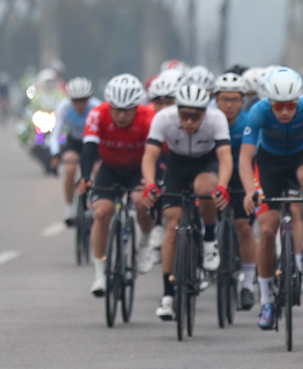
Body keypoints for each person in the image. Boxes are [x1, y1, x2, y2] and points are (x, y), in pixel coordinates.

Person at [238, 67, 303, 330]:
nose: (285, 112)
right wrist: (249, 191)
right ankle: (266, 301)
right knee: (266, 231)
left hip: (300, 159)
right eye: (279, 106)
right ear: (269, 103)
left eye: (290, 106)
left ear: (298, 101)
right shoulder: (258, 112)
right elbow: (244, 157)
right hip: (269, 164)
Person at [141, 84, 233, 321]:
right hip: (177, 165)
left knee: (204, 189)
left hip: (206, 163)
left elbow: (225, 157)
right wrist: (150, 184)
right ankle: (168, 295)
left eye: (196, 115)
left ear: (205, 112)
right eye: (185, 115)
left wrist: (222, 186)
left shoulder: (216, 118)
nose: (190, 121)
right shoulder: (163, 118)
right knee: (172, 226)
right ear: (177, 110)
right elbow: (150, 156)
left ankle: (210, 238)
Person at [77, 75, 155, 297]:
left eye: (128, 110)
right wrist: (84, 177)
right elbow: (89, 149)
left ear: (136, 107)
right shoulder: (97, 114)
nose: (121, 115)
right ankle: (100, 275)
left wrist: (153, 181)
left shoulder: (148, 117)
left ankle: (146, 242)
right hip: (110, 168)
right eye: (117, 109)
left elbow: (155, 154)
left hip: (138, 168)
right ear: (109, 105)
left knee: (141, 202)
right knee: (102, 212)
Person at [213, 71, 259, 310]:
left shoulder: (250, 121)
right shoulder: (207, 118)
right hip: (215, 173)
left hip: (243, 176)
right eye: (223, 99)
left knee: (244, 228)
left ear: (243, 101)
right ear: (215, 100)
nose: (228, 105)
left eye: (234, 100)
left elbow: (255, 158)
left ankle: (248, 285)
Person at [50, 77, 100, 224]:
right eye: (76, 100)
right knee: (70, 169)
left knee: (97, 170)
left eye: (83, 100)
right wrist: (55, 153)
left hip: (93, 142)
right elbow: (55, 135)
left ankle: (94, 203)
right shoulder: (63, 108)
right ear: (69, 99)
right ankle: (68, 209)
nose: (80, 104)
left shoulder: (96, 107)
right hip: (75, 142)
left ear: (89, 98)